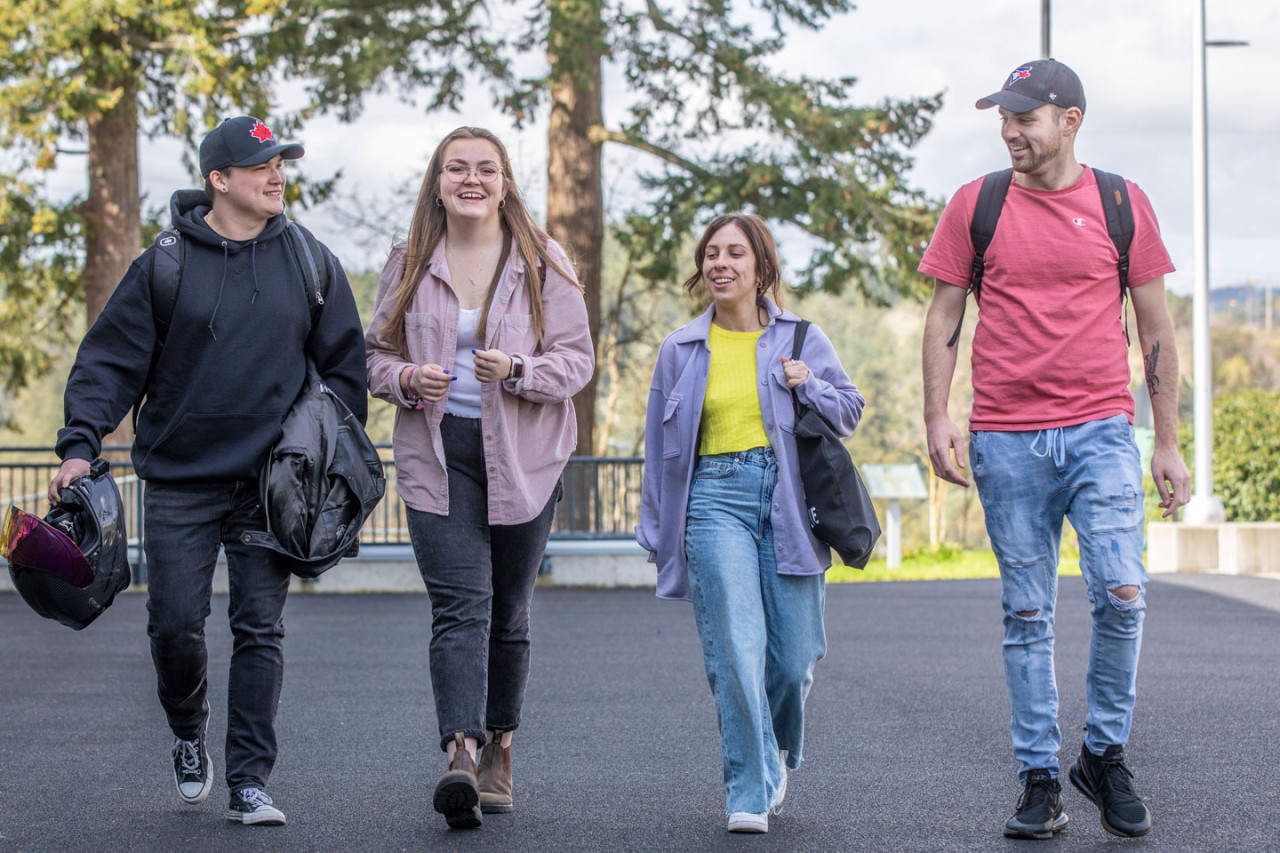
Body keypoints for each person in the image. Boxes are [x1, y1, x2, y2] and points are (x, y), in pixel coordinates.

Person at [50, 116, 368, 825]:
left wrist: (320, 453)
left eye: (281, 162)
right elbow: (108, 363)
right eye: (261, 165)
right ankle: (189, 729)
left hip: (269, 487)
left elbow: (346, 369)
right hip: (180, 482)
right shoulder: (165, 264)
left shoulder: (310, 260)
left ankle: (251, 779)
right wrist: (79, 444)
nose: (277, 174)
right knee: (174, 627)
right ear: (218, 180)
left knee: (260, 626)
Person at [919, 60, 1191, 841]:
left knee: (1123, 593)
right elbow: (943, 320)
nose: (1010, 131)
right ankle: (1039, 777)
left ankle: (1102, 754)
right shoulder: (978, 204)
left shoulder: (1119, 202)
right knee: (1027, 611)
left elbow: (1157, 330)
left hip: (1104, 429)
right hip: (1005, 437)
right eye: (1003, 118)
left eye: (1025, 119)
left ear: (1069, 120)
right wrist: (938, 416)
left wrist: (1165, 441)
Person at [365, 127, 593, 830]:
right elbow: (373, 355)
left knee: (508, 610)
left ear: (504, 182)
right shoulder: (408, 261)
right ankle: (459, 753)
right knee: (460, 603)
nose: (471, 179)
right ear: (437, 181)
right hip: (439, 453)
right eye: (456, 168)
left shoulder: (540, 259)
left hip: (523, 454)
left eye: (485, 169)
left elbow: (576, 360)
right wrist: (406, 377)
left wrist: (519, 370)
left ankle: (500, 747)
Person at [636, 213, 864, 834]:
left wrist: (809, 383)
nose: (720, 263)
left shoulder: (800, 338)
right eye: (711, 253)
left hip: (787, 502)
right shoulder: (680, 349)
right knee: (735, 649)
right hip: (712, 501)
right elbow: (659, 448)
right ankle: (747, 787)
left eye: (735, 253)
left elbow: (849, 411)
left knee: (794, 660)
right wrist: (655, 526)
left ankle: (776, 754)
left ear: (761, 267)